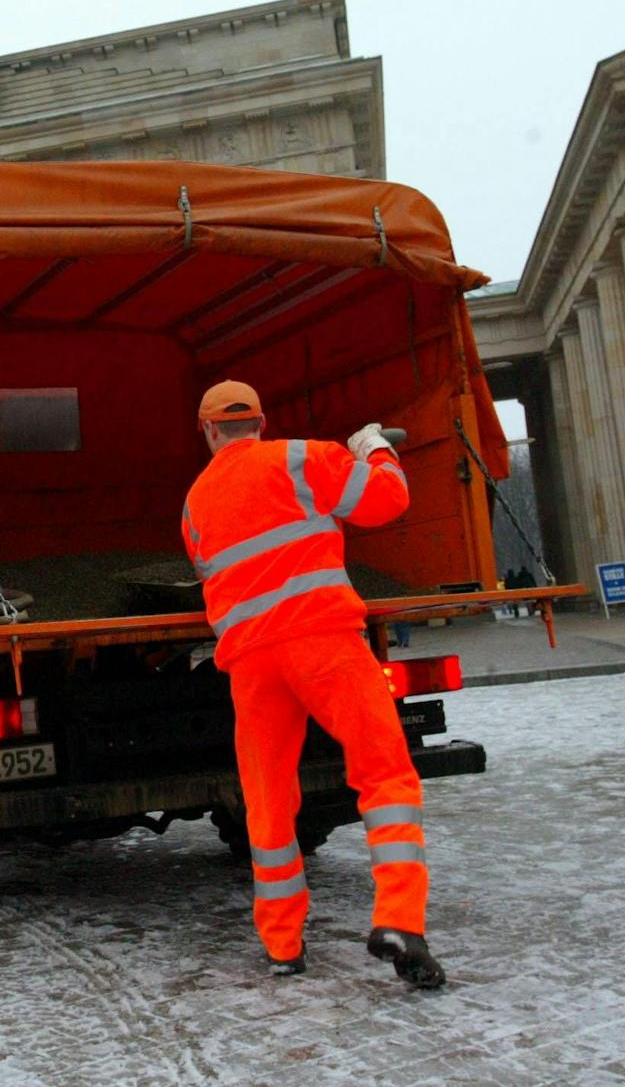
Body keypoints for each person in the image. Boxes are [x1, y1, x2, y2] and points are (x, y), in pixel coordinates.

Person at [181, 380, 443, 986]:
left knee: (268, 797)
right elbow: (386, 501)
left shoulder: (194, 503)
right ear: (261, 422)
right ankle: (400, 919)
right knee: (384, 773)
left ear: (210, 431)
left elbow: (208, 571)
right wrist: (375, 448)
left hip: (250, 662)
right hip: (323, 642)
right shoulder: (304, 457)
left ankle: (281, 945)